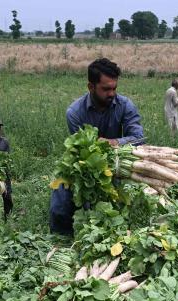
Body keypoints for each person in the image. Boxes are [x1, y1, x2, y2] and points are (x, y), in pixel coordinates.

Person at [49, 58, 145, 235]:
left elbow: (139, 138)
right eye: (106, 89)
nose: (112, 93)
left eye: (114, 88)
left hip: (119, 162)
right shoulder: (75, 112)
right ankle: (60, 238)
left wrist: (113, 143)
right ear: (91, 87)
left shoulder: (125, 105)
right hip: (84, 165)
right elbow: (83, 151)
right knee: (61, 202)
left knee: (132, 203)